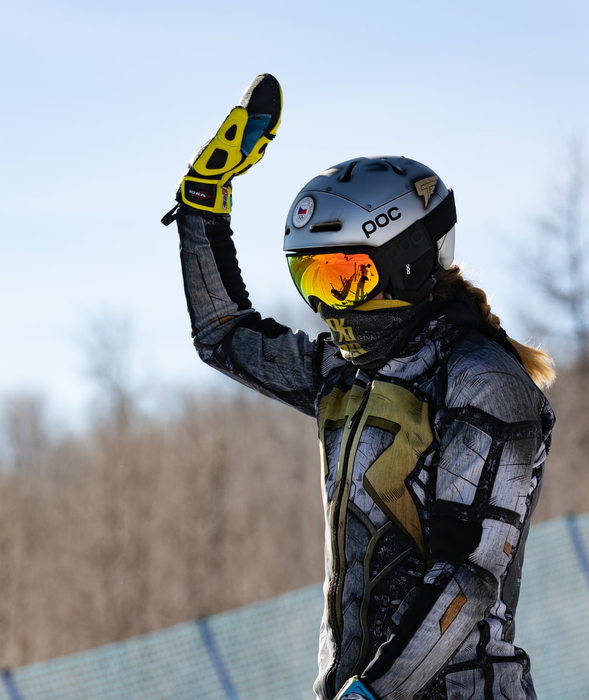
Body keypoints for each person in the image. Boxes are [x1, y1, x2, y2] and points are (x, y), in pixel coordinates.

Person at [162, 74, 556, 700]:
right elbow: (223, 336)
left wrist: (372, 693)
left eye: (345, 276)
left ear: (408, 261)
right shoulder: (342, 375)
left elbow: (468, 577)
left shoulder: (485, 381)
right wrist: (202, 204)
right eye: (311, 279)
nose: (328, 306)